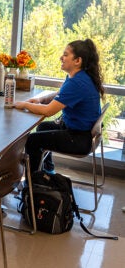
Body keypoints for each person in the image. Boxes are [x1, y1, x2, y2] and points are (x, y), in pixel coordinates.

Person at [15, 39, 105, 175]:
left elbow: (48, 111)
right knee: (43, 127)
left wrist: (23, 104)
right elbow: (60, 94)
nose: (61, 58)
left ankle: (33, 184)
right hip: (81, 132)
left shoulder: (77, 82)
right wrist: (41, 99)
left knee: (33, 141)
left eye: (65, 54)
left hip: (79, 139)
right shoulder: (79, 77)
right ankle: (48, 170)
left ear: (77, 61)